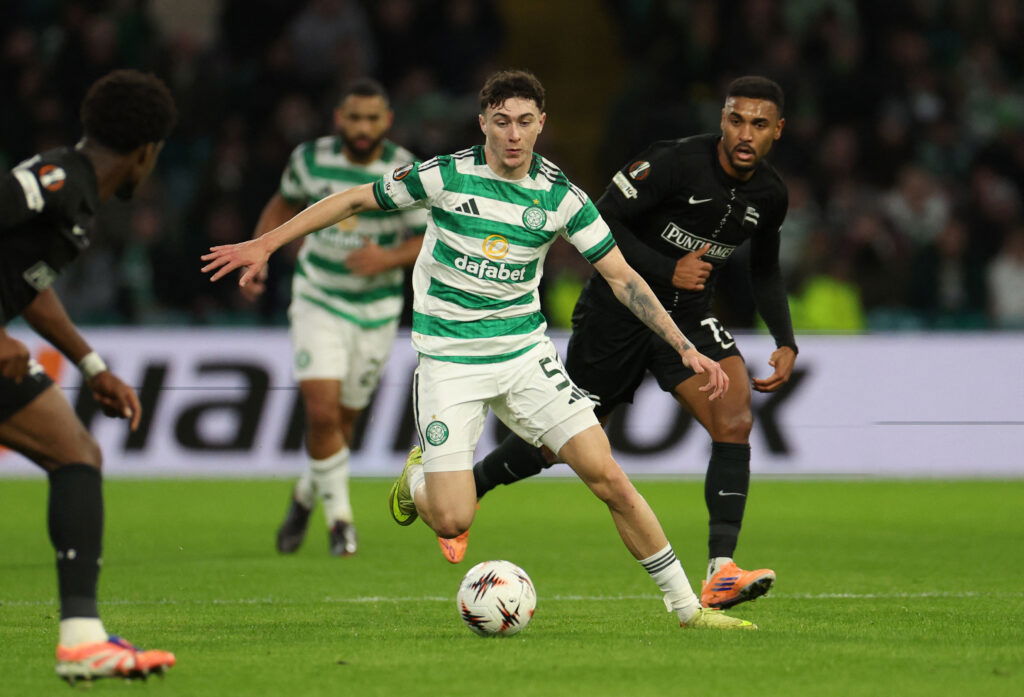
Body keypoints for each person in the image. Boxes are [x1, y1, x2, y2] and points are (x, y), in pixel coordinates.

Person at [203, 69, 756, 631]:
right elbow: (353, 200)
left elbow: (623, 278)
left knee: (607, 475)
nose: (513, 135)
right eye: (501, 121)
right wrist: (265, 243)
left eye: (524, 122)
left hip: (524, 356)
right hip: (450, 362)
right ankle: (417, 479)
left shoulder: (561, 197)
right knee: (451, 520)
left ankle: (687, 610)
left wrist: (683, 346)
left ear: (541, 124)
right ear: (483, 124)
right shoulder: (445, 175)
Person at [465, 76, 797, 611]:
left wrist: (784, 338)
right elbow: (598, 220)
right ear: (722, 119)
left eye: (758, 124)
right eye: (736, 120)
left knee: (734, 418)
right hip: (616, 314)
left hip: (686, 318)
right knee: (556, 445)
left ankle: (722, 569)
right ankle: (472, 487)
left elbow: (765, 268)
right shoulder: (673, 162)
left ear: (777, 131)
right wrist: (668, 268)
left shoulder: (770, 194)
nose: (745, 133)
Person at [0, 69, 177, 684]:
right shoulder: (54, 180)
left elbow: (27, 285)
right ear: (147, 152)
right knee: (74, 453)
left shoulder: (74, 195)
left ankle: (82, 640)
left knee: (75, 451)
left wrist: (91, 364)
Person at [243, 78, 425, 557]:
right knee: (321, 413)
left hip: (376, 309)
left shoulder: (404, 170)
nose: (362, 128)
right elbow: (283, 202)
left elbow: (429, 234)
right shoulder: (309, 159)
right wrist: (261, 252)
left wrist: (387, 259)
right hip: (318, 297)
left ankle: (305, 495)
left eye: (372, 119)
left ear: (387, 121)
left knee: (342, 424)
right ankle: (340, 523)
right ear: (338, 119)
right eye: (354, 118)